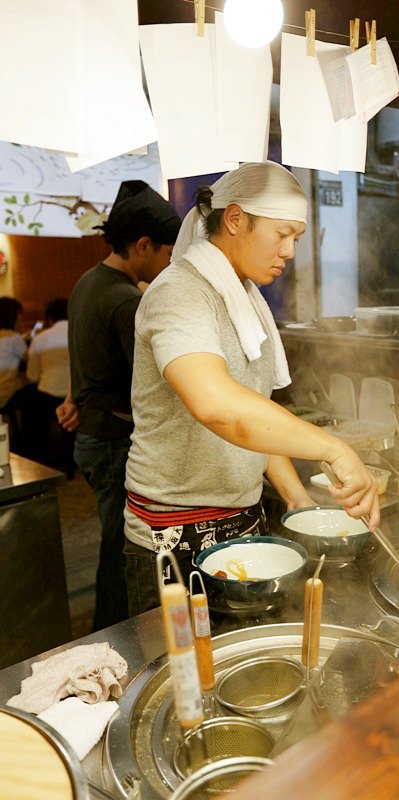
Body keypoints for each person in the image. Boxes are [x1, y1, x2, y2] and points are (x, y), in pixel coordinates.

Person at [124, 161, 379, 616]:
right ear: (236, 219)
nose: (289, 251)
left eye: (296, 239)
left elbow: (255, 413)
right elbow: (217, 405)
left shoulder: (245, 298)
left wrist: (297, 496)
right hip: (174, 537)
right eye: (282, 234)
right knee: (184, 679)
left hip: (244, 524)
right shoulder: (181, 293)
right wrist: (334, 449)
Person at [58, 180, 182, 631]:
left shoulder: (87, 282)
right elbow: (148, 383)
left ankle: (109, 632)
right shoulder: (126, 299)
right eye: (168, 254)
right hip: (111, 439)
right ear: (143, 244)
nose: (169, 264)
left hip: (91, 436)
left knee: (112, 542)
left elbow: (85, 360)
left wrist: (72, 398)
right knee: (120, 547)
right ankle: (111, 638)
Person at [24, 297, 75, 474]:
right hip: (77, 397)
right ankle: (72, 462)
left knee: (30, 405)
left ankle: (41, 461)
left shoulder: (41, 339)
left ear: (49, 318)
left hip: (48, 397)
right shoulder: (79, 332)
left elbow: (32, 376)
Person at [0, 296, 28, 411]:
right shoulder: (14, 337)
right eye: (20, 315)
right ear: (13, 316)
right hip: (4, 393)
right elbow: (29, 360)